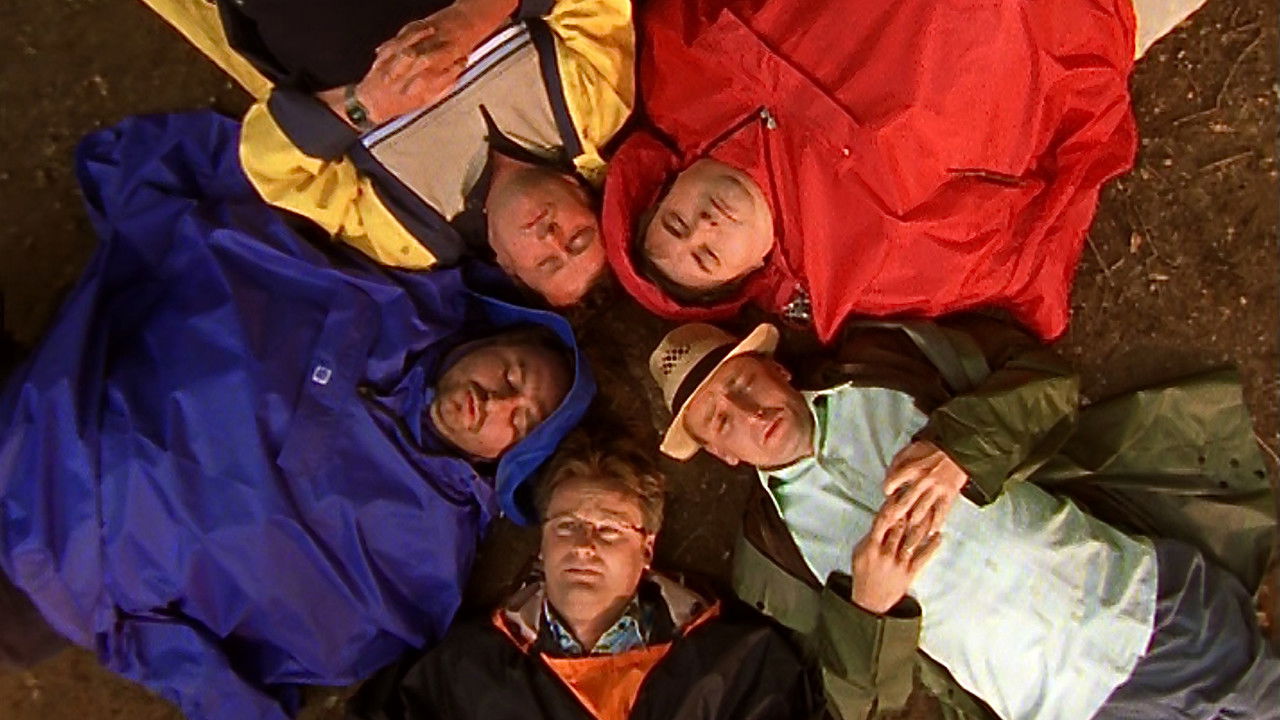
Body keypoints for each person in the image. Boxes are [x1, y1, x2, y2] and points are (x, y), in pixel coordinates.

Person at [0, 112, 595, 720]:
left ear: (508, 463)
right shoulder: (391, 284)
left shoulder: (418, 568)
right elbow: (256, 202)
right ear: (493, 336)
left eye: (520, 425)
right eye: (512, 375)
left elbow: (239, 666)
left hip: (44, 566)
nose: (497, 402)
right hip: (53, 391)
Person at [646, 319, 1278, 719]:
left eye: (742, 383)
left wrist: (959, 452)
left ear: (776, 368)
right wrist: (868, 610)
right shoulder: (768, 561)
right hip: (1068, 708)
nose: (748, 413)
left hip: (1144, 604)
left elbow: (1048, 383)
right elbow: (854, 707)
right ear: (722, 455)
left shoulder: (880, 364)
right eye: (720, 421)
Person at [601, 0, 1209, 341]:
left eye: (676, 222)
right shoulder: (864, 267)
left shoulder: (679, 74)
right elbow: (1015, 250)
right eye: (708, 255)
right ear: (751, 272)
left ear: (668, 184)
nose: (703, 224)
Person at [141, 0, 635, 306]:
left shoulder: (413, 233)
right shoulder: (592, 107)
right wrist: (469, 19)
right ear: (581, 192)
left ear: (507, 265)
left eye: (547, 262)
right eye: (578, 239)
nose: (552, 237)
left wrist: (366, 106)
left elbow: (274, 167)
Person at [347, 428, 824, 720]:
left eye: (610, 529)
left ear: (646, 548)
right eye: (566, 526)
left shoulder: (740, 665)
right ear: (542, 544)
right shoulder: (460, 672)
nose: (584, 545)